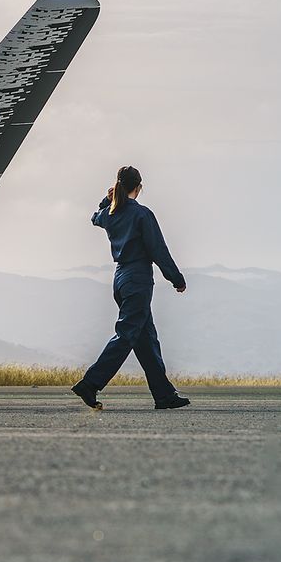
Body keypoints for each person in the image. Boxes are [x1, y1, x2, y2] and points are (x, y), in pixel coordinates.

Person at [71, 165, 190, 410]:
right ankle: (90, 383)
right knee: (126, 335)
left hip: (120, 279)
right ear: (139, 187)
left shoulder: (111, 214)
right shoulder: (142, 214)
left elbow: (95, 217)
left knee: (146, 339)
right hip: (138, 279)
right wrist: (176, 278)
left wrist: (107, 198)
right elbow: (158, 249)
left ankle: (164, 395)